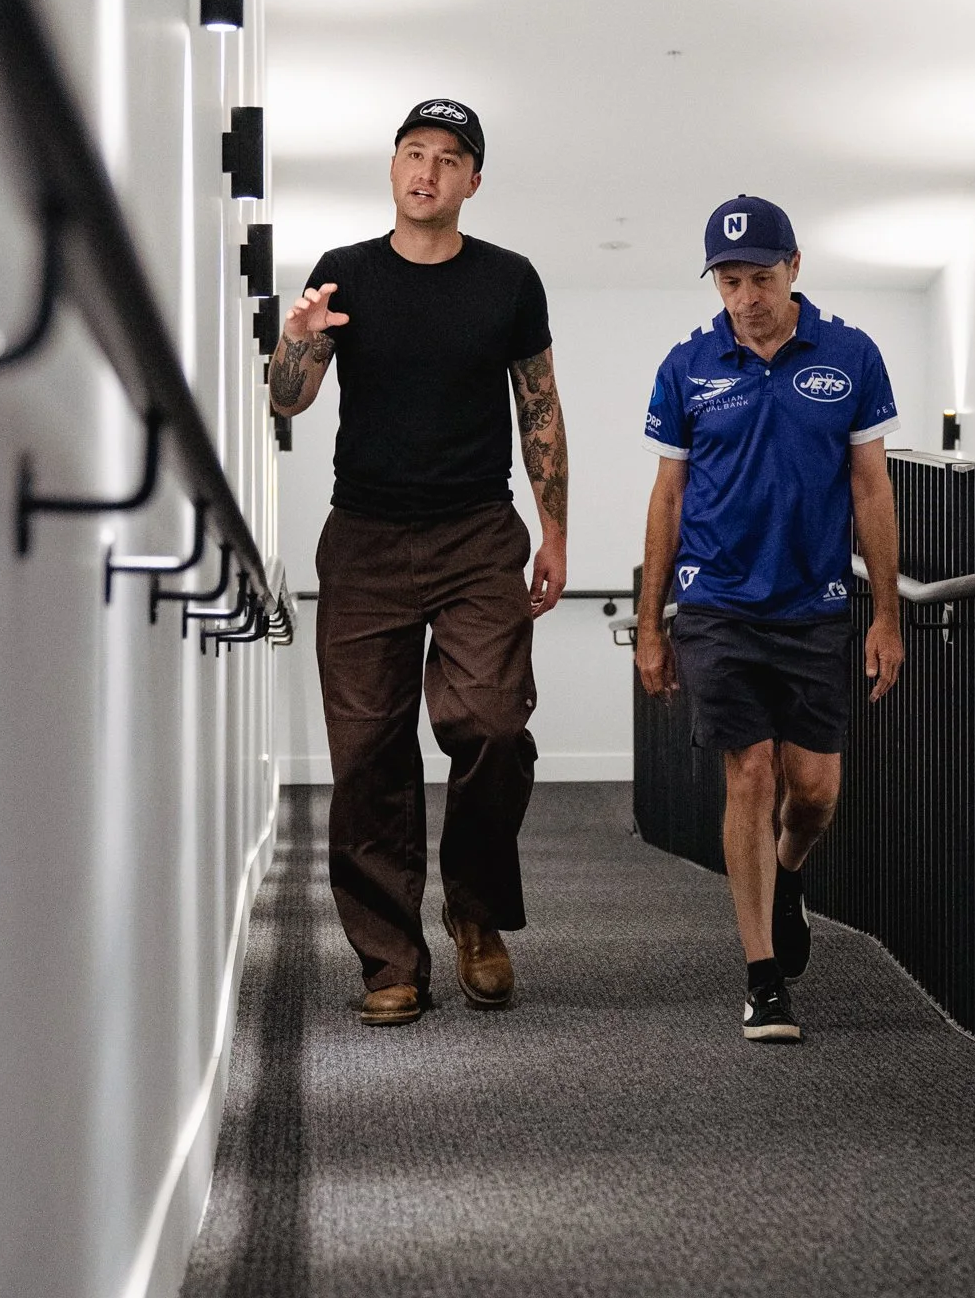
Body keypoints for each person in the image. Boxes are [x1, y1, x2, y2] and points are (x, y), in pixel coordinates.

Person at [267, 99, 568, 1026]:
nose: (426, 171)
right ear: (393, 167)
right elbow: (290, 399)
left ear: (472, 181)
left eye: (447, 159)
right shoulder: (343, 273)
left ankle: (475, 914)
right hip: (364, 535)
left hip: (478, 533)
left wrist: (555, 531)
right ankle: (388, 959)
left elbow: (541, 409)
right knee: (366, 755)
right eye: (412, 153)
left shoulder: (509, 281)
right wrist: (297, 337)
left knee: (485, 724)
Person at [634, 196, 904, 1041]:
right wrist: (652, 622)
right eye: (728, 279)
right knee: (748, 772)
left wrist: (887, 614)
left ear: (794, 268)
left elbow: (870, 487)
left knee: (814, 793)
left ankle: (786, 876)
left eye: (759, 277)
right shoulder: (687, 366)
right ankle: (761, 978)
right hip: (715, 603)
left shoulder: (851, 356)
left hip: (812, 606)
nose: (744, 297)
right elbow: (668, 493)